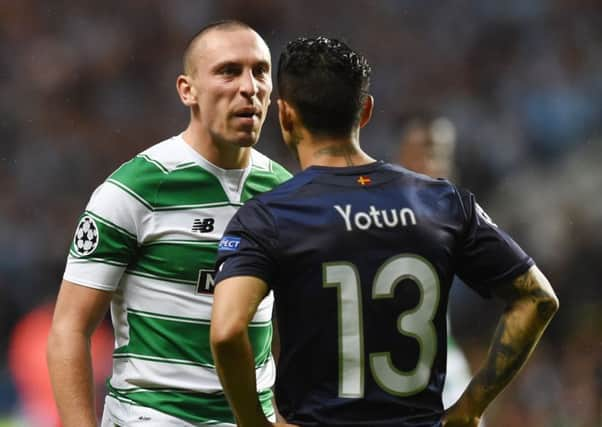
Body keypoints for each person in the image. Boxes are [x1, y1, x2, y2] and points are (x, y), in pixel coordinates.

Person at [209, 36, 559, 427]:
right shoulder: (442, 201)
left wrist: (253, 423)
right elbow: (538, 299)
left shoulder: (268, 216)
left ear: (285, 115)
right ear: (366, 111)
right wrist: (471, 406)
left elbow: (227, 332)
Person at [46, 20, 291, 427]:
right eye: (228, 71)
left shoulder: (283, 192)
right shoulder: (135, 190)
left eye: (260, 71)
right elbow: (69, 330)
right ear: (187, 90)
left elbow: (277, 319)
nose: (250, 87)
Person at [396, 114, 477, 413]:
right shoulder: (368, 221)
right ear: (400, 158)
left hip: (444, 374)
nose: (434, 166)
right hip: (384, 376)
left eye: (443, 156)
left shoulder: (460, 219)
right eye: (425, 153)